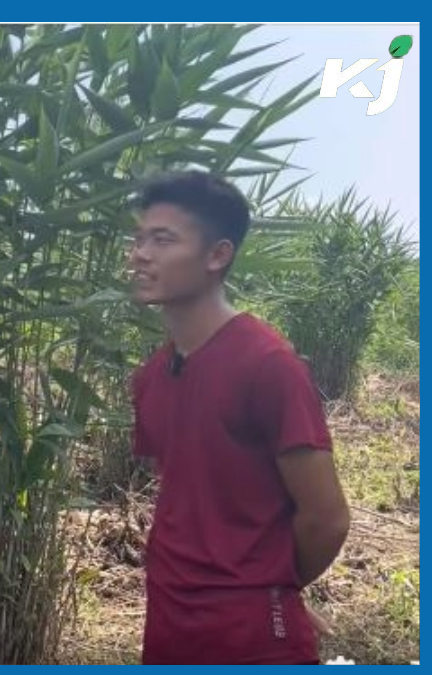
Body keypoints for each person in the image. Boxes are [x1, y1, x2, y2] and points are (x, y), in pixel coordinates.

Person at [127, 170, 351, 665]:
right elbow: (192, 492)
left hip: (250, 640)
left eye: (163, 240)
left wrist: (272, 587)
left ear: (217, 255)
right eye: (139, 238)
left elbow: (327, 518)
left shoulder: (267, 365)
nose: (140, 253)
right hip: (167, 621)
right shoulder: (151, 378)